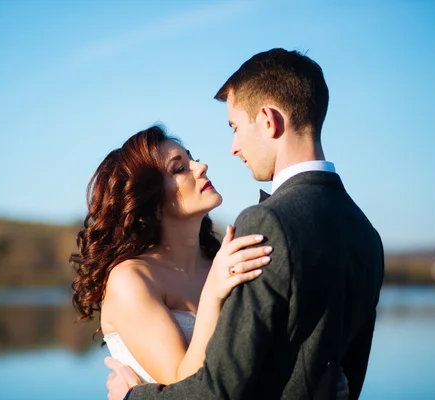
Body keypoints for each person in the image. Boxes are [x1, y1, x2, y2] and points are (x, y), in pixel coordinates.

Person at [105, 48, 384, 400]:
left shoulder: (258, 230)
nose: (227, 151)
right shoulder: (367, 234)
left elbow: (221, 389)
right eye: (180, 167)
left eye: (235, 127)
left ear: (268, 121)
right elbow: (334, 370)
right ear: (149, 199)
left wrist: (132, 397)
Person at [71, 125, 273, 384]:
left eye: (192, 160)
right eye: (179, 169)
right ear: (148, 199)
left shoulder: (220, 262)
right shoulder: (131, 279)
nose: (201, 167)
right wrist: (213, 293)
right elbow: (186, 387)